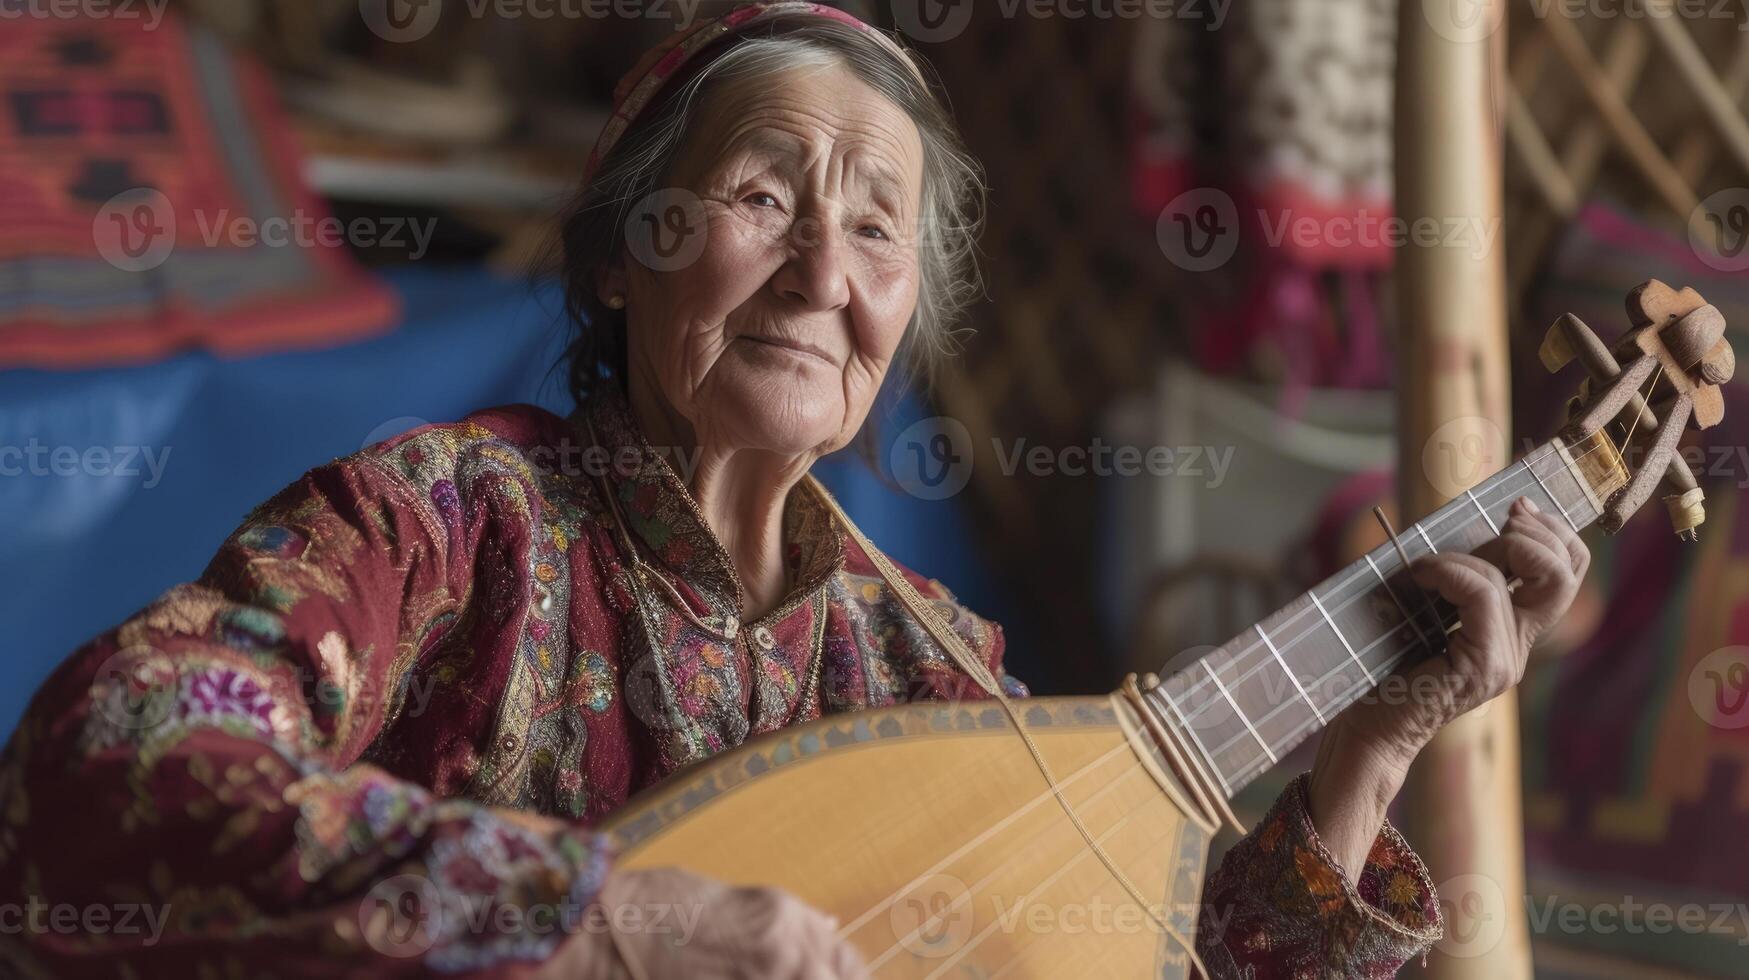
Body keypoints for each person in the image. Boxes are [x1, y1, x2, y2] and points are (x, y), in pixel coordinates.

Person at [0, 3, 1588, 976]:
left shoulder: (931, 668)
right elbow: (110, 761)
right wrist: (593, 922)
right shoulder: (439, 524)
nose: (826, 270)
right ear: (631, 255)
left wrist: (1372, 748)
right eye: (764, 195)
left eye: (880, 228)